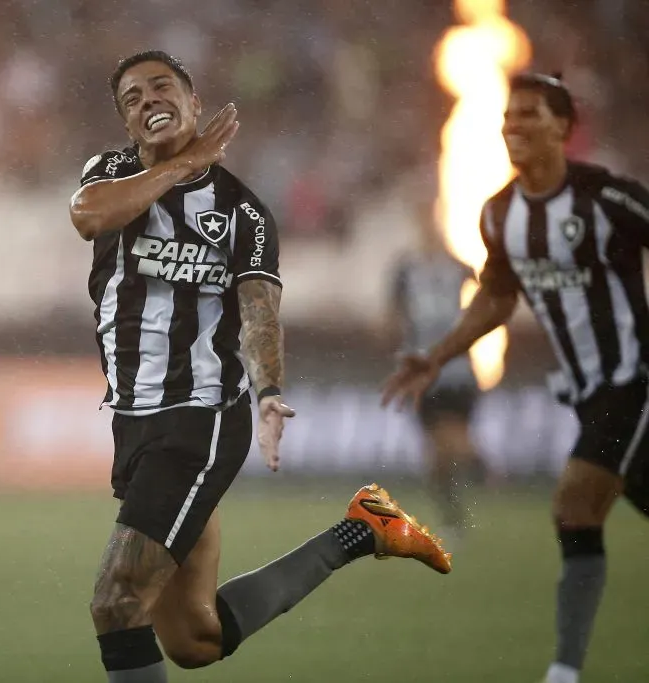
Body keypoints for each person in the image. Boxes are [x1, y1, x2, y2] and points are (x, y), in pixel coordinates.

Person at [70, 50, 451, 683]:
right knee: (194, 639)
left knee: (116, 603)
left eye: (161, 87)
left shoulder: (242, 213)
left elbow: (260, 313)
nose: (147, 100)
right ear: (126, 123)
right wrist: (186, 163)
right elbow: (90, 217)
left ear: (195, 104)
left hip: (197, 421)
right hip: (133, 422)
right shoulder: (107, 174)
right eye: (132, 98)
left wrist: (269, 391)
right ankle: (362, 531)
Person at [381, 73, 649, 683]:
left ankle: (564, 670)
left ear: (563, 126)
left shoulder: (607, 200)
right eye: (508, 117)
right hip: (584, 389)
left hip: (634, 378)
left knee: (574, 505)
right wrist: (439, 353)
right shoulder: (501, 214)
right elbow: (497, 299)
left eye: (529, 115)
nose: (513, 127)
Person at [386, 200, 486, 537]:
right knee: (436, 455)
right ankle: (453, 515)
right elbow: (392, 315)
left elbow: (489, 296)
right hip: (421, 370)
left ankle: (482, 467)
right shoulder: (406, 269)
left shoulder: (457, 267)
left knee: (452, 439)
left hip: (455, 367)